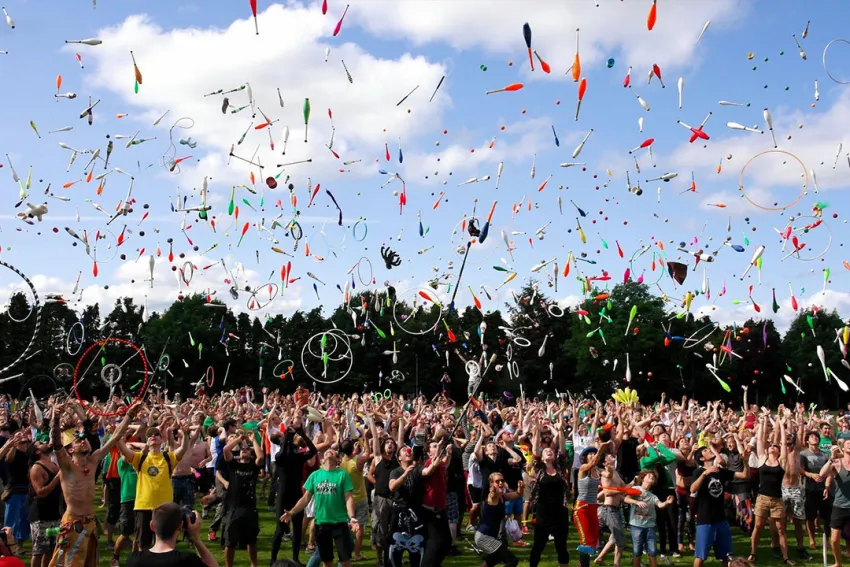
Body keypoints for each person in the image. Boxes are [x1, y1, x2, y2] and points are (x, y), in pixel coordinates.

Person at [47, 402, 138, 567]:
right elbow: (56, 443)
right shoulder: (66, 466)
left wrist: (129, 416)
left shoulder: (94, 460)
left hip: (90, 522)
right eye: (78, 440)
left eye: (85, 439)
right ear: (70, 450)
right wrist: (56, 417)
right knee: (69, 562)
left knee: (91, 562)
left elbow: (116, 436)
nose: (84, 442)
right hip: (73, 522)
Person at [116, 424, 190, 551]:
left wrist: (185, 433)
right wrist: (118, 431)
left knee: (164, 544)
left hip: (165, 508)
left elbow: (183, 448)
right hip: (144, 506)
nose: (153, 436)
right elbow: (122, 447)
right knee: (143, 544)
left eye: (156, 434)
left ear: (162, 440)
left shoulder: (168, 457)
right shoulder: (140, 457)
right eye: (149, 435)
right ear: (146, 442)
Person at [281, 449, 357, 567]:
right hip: (322, 524)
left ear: (337, 459)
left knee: (345, 561)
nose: (329, 452)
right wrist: (292, 512)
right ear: (322, 459)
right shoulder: (315, 475)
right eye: (327, 452)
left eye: (333, 452)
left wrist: (352, 517)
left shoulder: (343, 475)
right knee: (327, 562)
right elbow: (305, 498)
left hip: (340, 523)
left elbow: (349, 498)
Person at [691, 442, 750, 567]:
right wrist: (704, 474)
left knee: (727, 556)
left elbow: (744, 475)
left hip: (721, 520)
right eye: (706, 450)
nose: (710, 450)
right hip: (705, 520)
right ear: (702, 458)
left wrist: (745, 461)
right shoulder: (698, 472)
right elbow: (692, 489)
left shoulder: (721, 472)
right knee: (700, 557)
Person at [269, 415, 317, 566]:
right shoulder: (279, 457)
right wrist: (289, 436)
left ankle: (295, 558)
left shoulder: (298, 456)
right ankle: (273, 560)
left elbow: (313, 450)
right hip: (284, 496)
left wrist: (302, 433)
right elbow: (283, 452)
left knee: (296, 529)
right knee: (280, 529)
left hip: (295, 494)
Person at [749, 412, 794, 564]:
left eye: (776, 446)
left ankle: (786, 557)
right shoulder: (762, 458)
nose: (773, 446)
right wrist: (764, 420)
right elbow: (761, 440)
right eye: (771, 445)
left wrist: (781, 424)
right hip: (762, 498)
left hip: (777, 499)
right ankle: (753, 553)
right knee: (758, 526)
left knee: (781, 529)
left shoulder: (782, 461)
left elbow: (782, 442)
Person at [126, 502, 219, 567]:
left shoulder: (133, 560)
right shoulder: (187, 560)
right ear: (180, 526)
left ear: (152, 526)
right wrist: (196, 538)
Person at [220, 429, 264, 567]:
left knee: (252, 540)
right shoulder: (234, 465)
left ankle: (254, 565)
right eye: (242, 450)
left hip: (249, 507)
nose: (245, 450)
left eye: (247, 450)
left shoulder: (253, 467)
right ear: (238, 454)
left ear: (250, 455)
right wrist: (240, 439)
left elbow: (261, 457)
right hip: (233, 507)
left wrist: (253, 440)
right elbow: (226, 449)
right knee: (230, 541)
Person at [624, 470, 675, 567]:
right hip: (636, 526)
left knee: (652, 552)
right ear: (642, 478)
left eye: (653, 477)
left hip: (650, 527)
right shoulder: (636, 489)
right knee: (637, 551)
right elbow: (626, 499)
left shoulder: (653, 496)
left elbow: (660, 505)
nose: (652, 477)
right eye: (649, 476)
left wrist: (667, 503)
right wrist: (636, 502)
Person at [529, 447, 570, 567]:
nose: (549, 451)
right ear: (542, 458)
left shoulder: (560, 468)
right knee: (538, 545)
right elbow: (535, 451)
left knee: (561, 546)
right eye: (546, 451)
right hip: (543, 513)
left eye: (551, 450)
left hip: (560, 513)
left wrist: (560, 430)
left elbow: (562, 450)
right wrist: (536, 430)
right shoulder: (539, 469)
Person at [27, 440, 62, 567]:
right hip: (40, 516)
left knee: (51, 550)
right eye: (41, 442)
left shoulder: (53, 464)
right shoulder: (36, 468)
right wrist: (57, 478)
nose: (46, 442)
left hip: (54, 513)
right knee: (38, 551)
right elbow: (40, 492)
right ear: (37, 451)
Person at [388, 446, 424, 567]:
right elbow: (392, 487)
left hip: (416, 512)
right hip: (399, 513)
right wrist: (405, 475)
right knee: (395, 548)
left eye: (409, 449)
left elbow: (428, 471)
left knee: (417, 549)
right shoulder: (396, 471)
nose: (408, 451)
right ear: (399, 457)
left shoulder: (418, 468)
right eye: (404, 450)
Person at [475, 472, 519, 567]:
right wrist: (493, 491)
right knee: (512, 561)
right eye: (497, 481)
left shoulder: (502, 497)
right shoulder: (492, 497)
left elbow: (518, 494)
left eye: (502, 481)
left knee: (492, 561)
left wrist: (521, 487)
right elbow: (492, 495)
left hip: (489, 537)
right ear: (491, 483)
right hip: (484, 537)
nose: (500, 483)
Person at [817, 439, 850, 567]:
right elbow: (822, 473)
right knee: (835, 539)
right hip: (840, 506)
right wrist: (831, 458)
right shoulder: (836, 462)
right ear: (843, 447)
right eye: (848, 443)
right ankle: (838, 563)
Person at [339, 437, 370, 562]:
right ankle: (357, 554)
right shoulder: (358, 461)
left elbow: (349, 456)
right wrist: (365, 437)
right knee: (360, 527)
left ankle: (345, 552)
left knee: (346, 528)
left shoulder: (341, 462)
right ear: (353, 449)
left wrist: (353, 452)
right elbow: (368, 452)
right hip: (360, 498)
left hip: (346, 499)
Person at [801, 429, 831, 550]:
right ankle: (812, 540)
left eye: (816, 436)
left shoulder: (825, 455)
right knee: (810, 517)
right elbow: (800, 470)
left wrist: (827, 487)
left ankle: (827, 541)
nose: (815, 438)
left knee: (827, 517)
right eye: (812, 436)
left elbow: (830, 474)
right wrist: (811, 475)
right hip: (809, 490)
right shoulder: (803, 454)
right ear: (807, 440)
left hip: (823, 490)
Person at [0, 430, 31, 543]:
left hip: (26, 491)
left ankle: (19, 545)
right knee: (11, 520)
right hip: (14, 492)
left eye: (24, 441)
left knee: (24, 519)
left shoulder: (29, 453)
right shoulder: (10, 454)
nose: (23, 441)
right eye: (19, 439)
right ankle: (6, 543)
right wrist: (9, 444)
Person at [111, 454, 138, 567]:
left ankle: (134, 560)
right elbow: (125, 457)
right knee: (125, 534)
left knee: (138, 534)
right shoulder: (122, 465)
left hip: (141, 501)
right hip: (127, 501)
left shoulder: (138, 465)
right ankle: (115, 558)